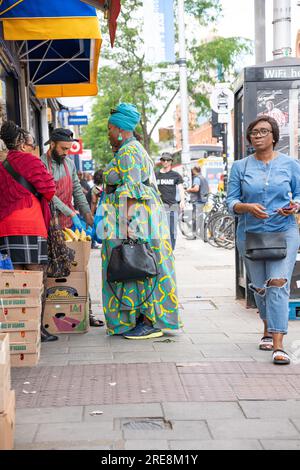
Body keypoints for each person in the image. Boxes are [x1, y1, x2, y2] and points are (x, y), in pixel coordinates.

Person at [102, 103, 181, 339]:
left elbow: (131, 189)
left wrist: (127, 226)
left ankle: (147, 321)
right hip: (140, 216)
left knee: (138, 263)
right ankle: (138, 318)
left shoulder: (128, 151)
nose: (108, 133)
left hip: (135, 217)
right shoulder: (132, 149)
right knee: (139, 264)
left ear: (119, 129)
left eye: (109, 129)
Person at [227, 115, 300, 365]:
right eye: (253, 132)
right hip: (250, 234)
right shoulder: (240, 167)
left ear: (274, 136)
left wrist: (295, 206)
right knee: (260, 286)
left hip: (284, 231)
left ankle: (279, 345)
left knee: (277, 283)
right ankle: (268, 328)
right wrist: (246, 207)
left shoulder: (291, 164)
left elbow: (299, 194)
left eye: (263, 131)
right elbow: (231, 202)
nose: (257, 136)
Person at [0, 121, 57, 342]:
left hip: (5, 228)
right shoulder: (31, 162)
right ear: (23, 144)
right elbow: (50, 190)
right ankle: (36, 330)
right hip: (31, 226)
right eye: (33, 144)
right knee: (35, 280)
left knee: (14, 282)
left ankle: (16, 331)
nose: (34, 149)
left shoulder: (2, 165)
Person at [41, 128, 104, 328]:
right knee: (53, 271)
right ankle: (50, 314)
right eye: (63, 148)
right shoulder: (42, 164)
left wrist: (88, 216)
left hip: (69, 225)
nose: (67, 152)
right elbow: (48, 194)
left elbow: (77, 190)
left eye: (69, 148)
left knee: (80, 269)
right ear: (52, 144)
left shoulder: (68, 163)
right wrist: (69, 212)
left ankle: (86, 311)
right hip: (49, 224)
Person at [156, 152, 185, 250]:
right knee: (160, 230)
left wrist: (182, 201)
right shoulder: (156, 175)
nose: (165, 162)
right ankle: (162, 250)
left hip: (173, 206)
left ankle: (170, 251)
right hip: (159, 206)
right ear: (161, 161)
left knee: (172, 231)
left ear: (171, 162)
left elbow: (181, 189)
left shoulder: (176, 175)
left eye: (167, 160)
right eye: (163, 160)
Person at [186, 166, 209, 239]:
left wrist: (188, 190)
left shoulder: (197, 178)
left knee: (195, 218)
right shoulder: (203, 178)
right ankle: (202, 234)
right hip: (203, 200)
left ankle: (194, 235)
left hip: (197, 201)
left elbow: (196, 189)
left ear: (194, 171)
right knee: (201, 218)